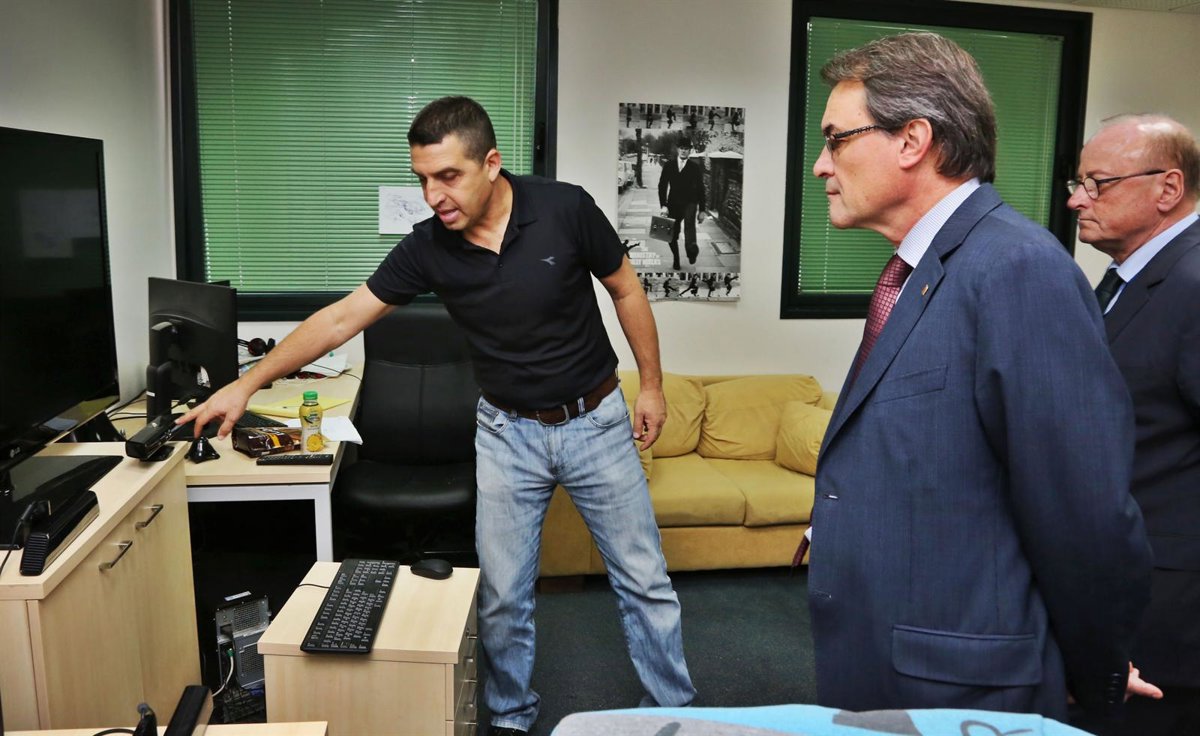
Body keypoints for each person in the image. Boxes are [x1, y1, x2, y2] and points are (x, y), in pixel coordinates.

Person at [177, 96, 695, 735]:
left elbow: (625, 288)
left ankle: (674, 716)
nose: (432, 196)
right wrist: (247, 383)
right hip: (507, 434)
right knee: (502, 597)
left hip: (596, 422)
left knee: (644, 583)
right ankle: (510, 718)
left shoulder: (566, 209)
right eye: (422, 178)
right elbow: (341, 318)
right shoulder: (428, 247)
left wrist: (652, 386)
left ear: (491, 164)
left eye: (448, 176)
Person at [805, 32, 1153, 723]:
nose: (820, 165)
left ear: (913, 141)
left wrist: (1087, 667)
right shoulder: (922, 270)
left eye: (836, 140)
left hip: (964, 688)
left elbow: (1081, 511)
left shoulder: (1017, 270)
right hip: (893, 658)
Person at [1067, 114, 1200, 736]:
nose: (1077, 199)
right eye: (1079, 183)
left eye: (1097, 184)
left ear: (1167, 188)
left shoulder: (1193, 283)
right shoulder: (1127, 277)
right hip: (1121, 576)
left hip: (1172, 608)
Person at [658, 137, 706, 271]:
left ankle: (691, 252)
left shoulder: (695, 167)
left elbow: (701, 188)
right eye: (682, 148)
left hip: (690, 202)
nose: (684, 151)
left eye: (686, 149)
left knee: (689, 226)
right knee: (671, 235)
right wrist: (663, 205)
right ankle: (676, 258)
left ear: (690, 151)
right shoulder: (669, 165)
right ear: (678, 149)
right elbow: (662, 186)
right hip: (673, 204)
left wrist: (702, 210)